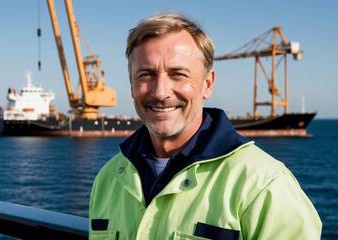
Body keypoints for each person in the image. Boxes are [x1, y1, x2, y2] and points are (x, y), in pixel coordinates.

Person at [89, 13, 322, 239]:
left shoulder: (265, 185)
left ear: (207, 84)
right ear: (131, 85)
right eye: (146, 75)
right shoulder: (107, 179)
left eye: (178, 74)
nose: (160, 92)